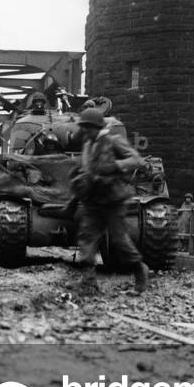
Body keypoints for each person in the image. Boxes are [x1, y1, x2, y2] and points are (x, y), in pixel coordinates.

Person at [70, 108, 148, 293]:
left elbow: (136, 160)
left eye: (88, 127)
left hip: (113, 200)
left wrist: (115, 166)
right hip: (93, 200)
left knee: (119, 239)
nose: (85, 131)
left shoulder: (113, 141)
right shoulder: (88, 146)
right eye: (83, 127)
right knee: (87, 237)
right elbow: (86, 168)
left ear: (97, 127)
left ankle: (139, 269)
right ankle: (88, 282)